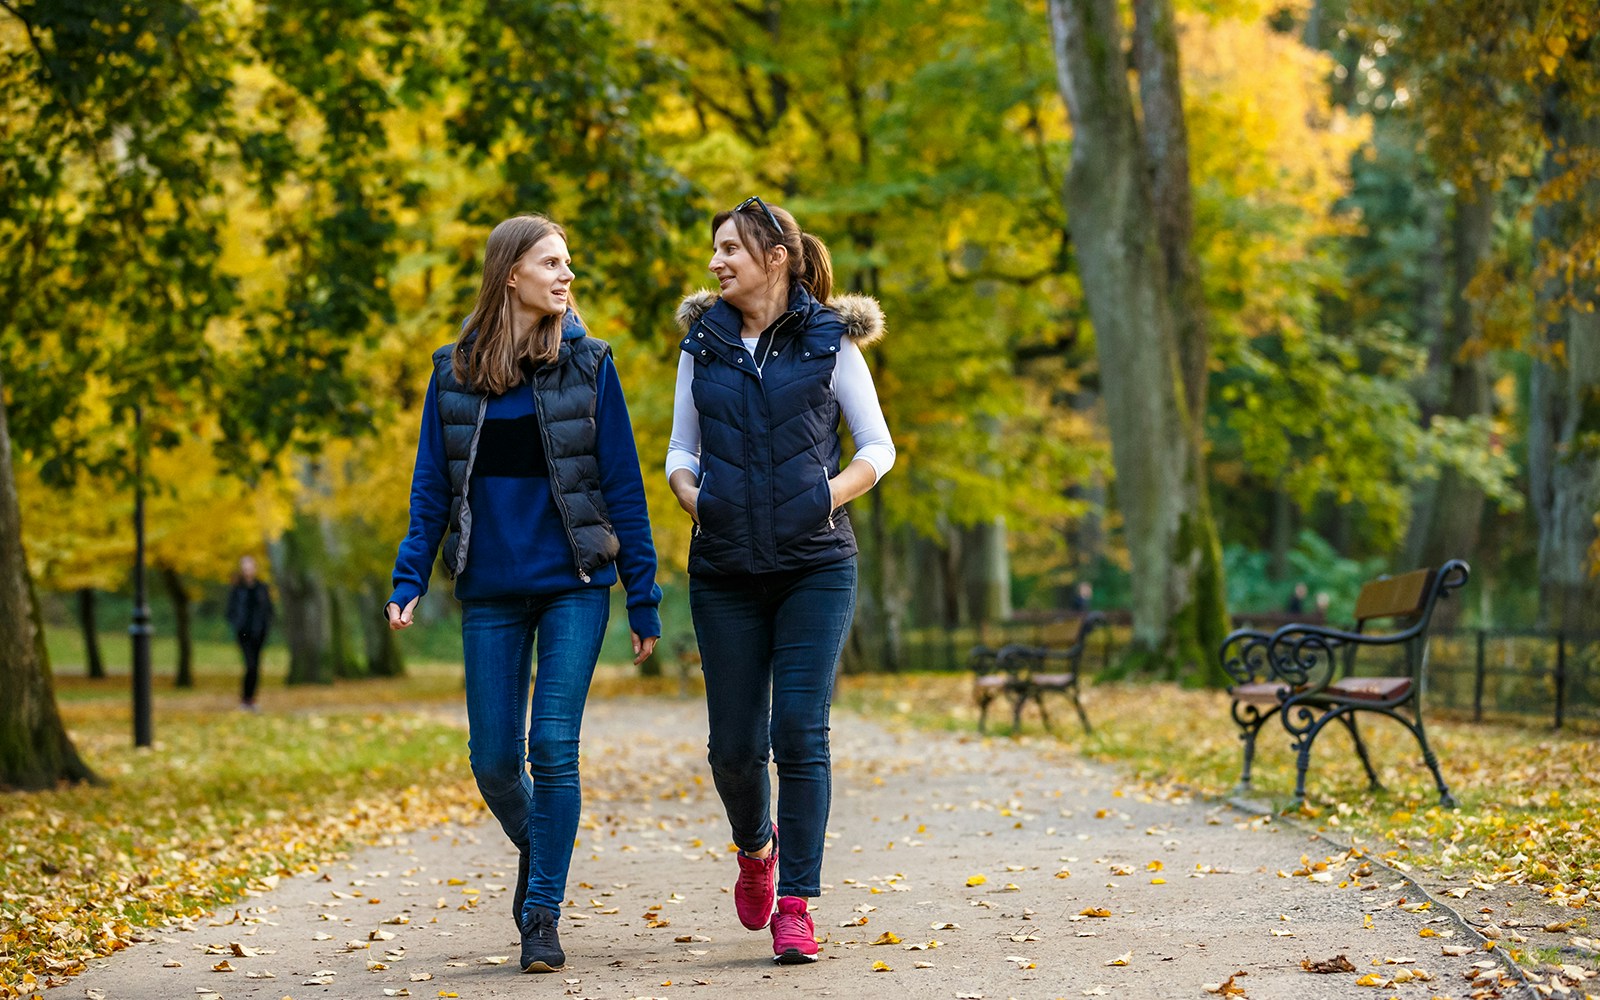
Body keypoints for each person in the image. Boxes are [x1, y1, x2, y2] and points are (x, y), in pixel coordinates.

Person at [384, 215, 662, 975]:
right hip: (490, 590)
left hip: (574, 586)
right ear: (512, 273)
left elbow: (623, 489)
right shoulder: (452, 373)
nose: (568, 275)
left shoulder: (591, 365)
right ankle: (546, 851)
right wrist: (409, 576)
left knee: (552, 750)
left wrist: (643, 594)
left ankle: (541, 913)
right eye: (553, 262)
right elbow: (431, 489)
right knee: (495, 762)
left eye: (570, 263)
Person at [666, 196, 895, 965]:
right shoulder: (702, 344)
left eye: (730, 248)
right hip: (725, 568)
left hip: (815, 565)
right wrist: (697, 499)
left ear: (776, 257)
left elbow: (878, 447)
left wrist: (826, 495)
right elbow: (679, 451)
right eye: (714, 250)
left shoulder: (829, 341)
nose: (716, 261)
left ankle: (796, 902)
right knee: (733, 747)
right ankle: (753, 847)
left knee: (799, 729)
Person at [224, 555, 273, 711]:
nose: (247, 570)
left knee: (256, 667)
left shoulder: (262, 588)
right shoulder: (237, 589)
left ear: (255, 568)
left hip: (259, 632)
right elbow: (230, 611)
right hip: (244, 633)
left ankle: (251, 699)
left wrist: (265, 626)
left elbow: (268, 610)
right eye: (245, 567)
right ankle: (245, 699)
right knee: (250, 665)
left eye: (250, 567)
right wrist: (238, 624)